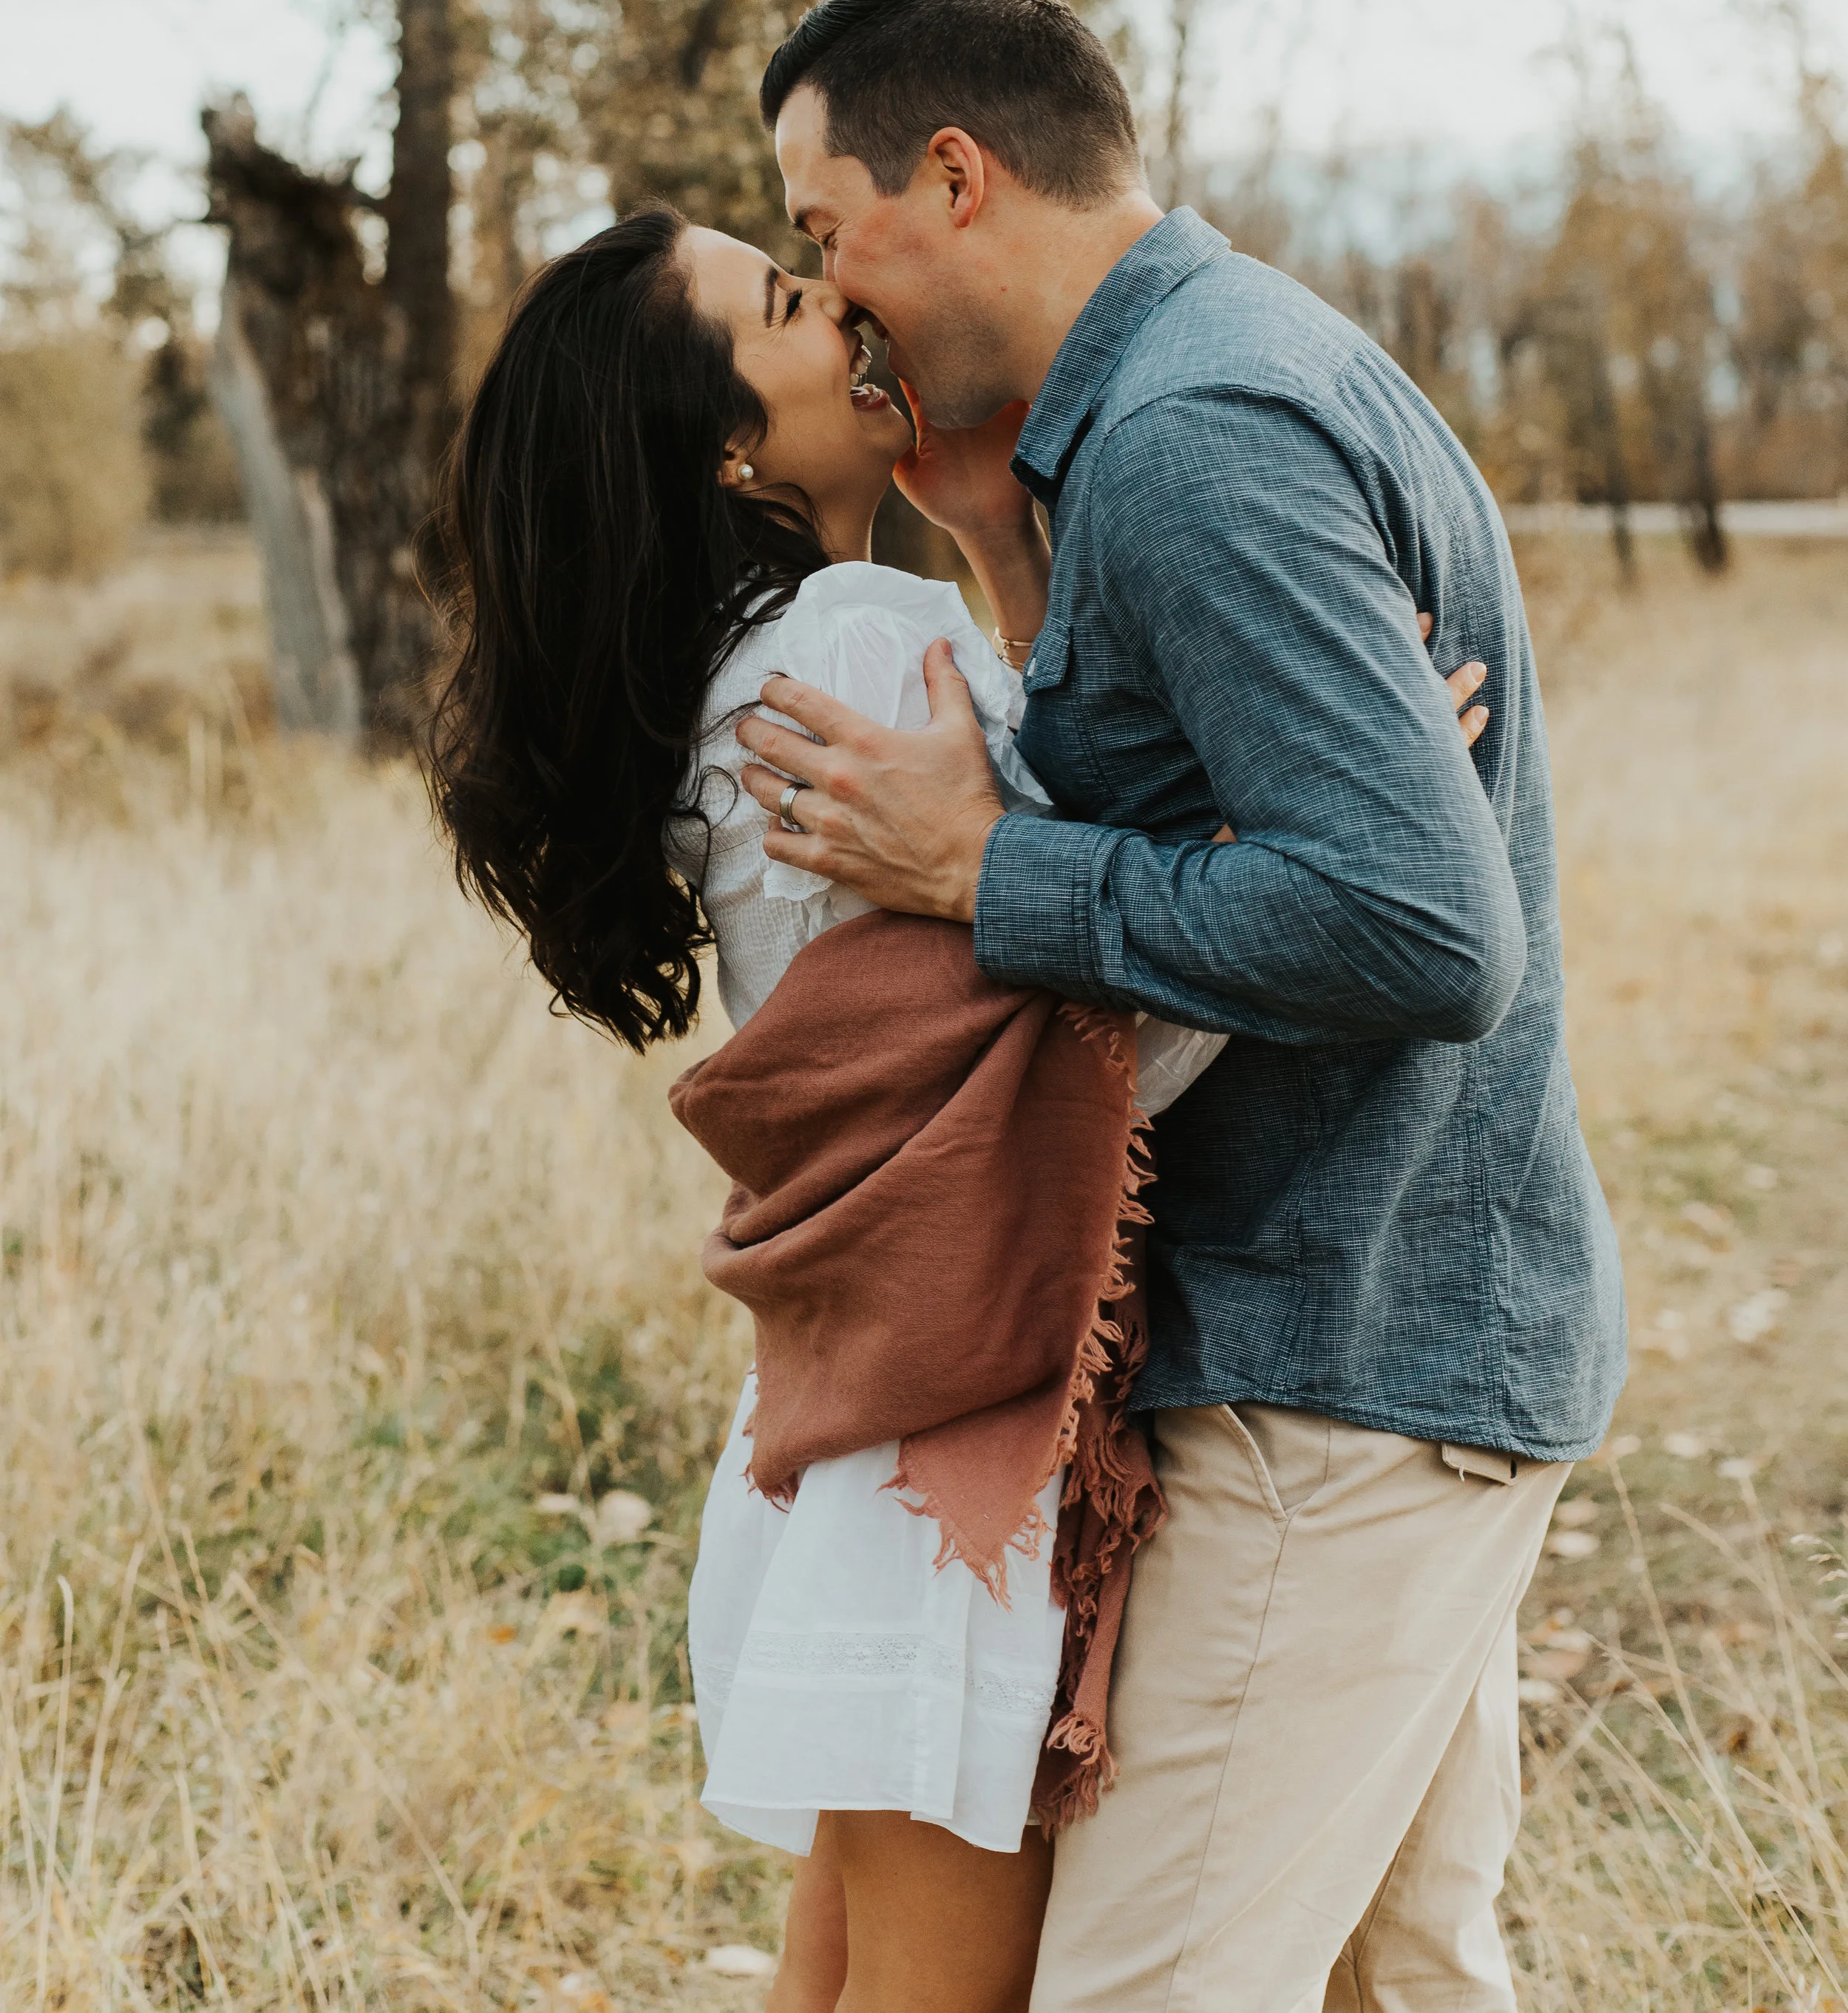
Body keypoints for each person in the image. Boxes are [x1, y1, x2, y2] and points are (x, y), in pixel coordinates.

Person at [424, 197, 1495, 2013]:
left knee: (832, 1983)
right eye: (781, 301)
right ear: (725, 442)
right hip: (942, 1476)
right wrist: (1296, 853)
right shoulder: (848, 642)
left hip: (860, 1431)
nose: (837, 301)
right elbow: (1070, 1077)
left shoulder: (760, 659)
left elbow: (969, 992)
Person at [730, 0, 1628, 2013]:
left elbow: (1422, 928)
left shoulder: (1199, 428)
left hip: (1342, 1369)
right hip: (1407, 1328)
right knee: (1388, 1983)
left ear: (949, 172)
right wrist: (1004, 564)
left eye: (818, 224)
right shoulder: (1183, 391)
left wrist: (989, 863)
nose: (829, 282)